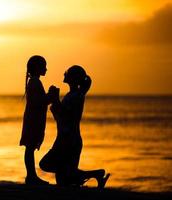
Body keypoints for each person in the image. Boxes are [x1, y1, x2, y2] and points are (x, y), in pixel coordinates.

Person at [39, 65, 110, 188]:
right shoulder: (74, 94)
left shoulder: (76, 96)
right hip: (65, 139)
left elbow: (65, 115)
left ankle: (92, 175)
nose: (65, 74)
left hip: (69, 140)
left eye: (68, 73)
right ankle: (95, 174)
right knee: (64, 181)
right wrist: (55, 101)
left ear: (73, 78)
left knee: (46, 164)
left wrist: (55, 100)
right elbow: (61, 116)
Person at [20, 55, 52, 185]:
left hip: (32, 118)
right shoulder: (35, 82)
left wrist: (48, 96)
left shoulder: (33, 81)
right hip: (33, 120)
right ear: (38, 68)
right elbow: (39, 102)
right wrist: (50, 96)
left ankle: (31, 176)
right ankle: (31, 176)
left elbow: (38, 101)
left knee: (30, 148)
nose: (46, 69)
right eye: (44, 66)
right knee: (30, 148)